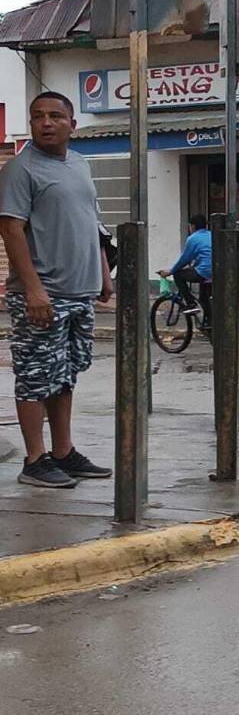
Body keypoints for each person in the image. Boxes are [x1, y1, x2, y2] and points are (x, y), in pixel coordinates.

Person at [0, 91, 112, 488]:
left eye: (55, 116)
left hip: (78, 292)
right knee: (33, 376)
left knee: (63, 376)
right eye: (37, 116)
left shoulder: (80, 164)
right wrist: (33, 290)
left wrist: (102, 274)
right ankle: (35, 459)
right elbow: (11, 229)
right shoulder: (21, 170)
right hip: (43, 293)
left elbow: (92, 223)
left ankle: (63, 451)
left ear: (72, 124)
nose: (46, 123)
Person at [157, 213, 212, 327]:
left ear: (192, 226)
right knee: (204, 297)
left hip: (204, 271)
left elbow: (184, 260)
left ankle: (190, 304)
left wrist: (170, 271)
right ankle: (209, 322)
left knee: (178, 274)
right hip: (215, 271)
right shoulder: (211, 235)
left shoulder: (193, 238)